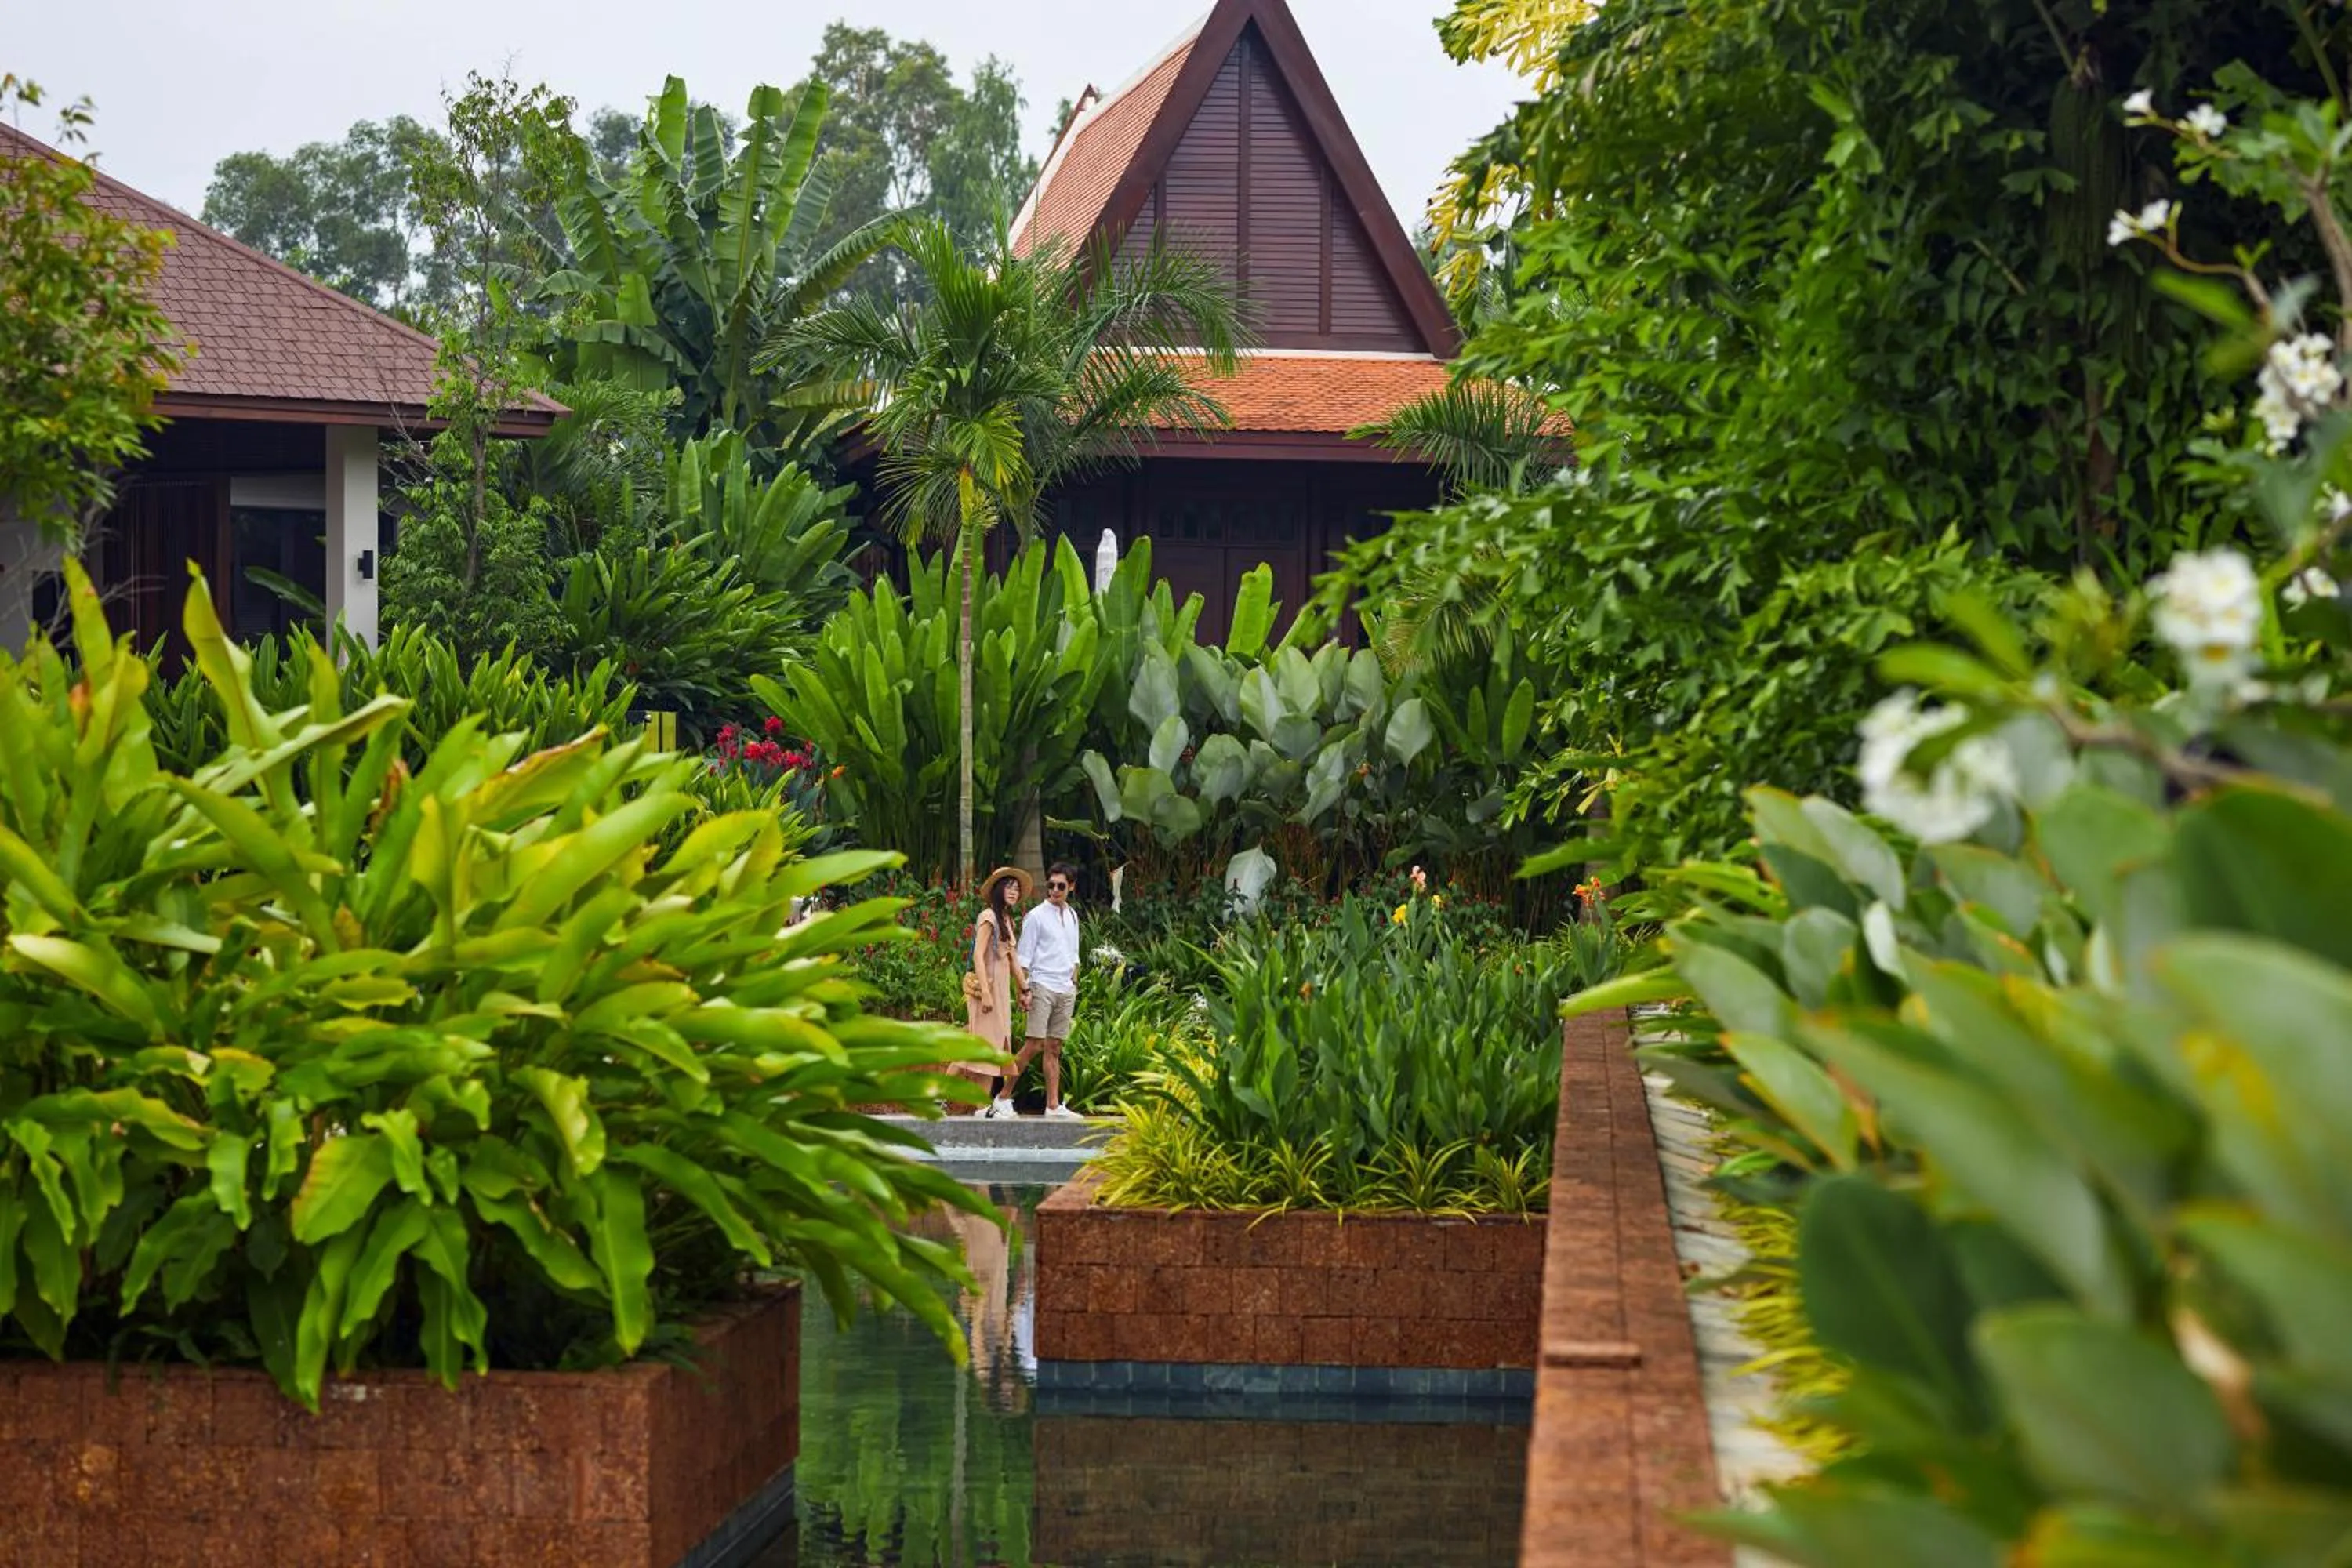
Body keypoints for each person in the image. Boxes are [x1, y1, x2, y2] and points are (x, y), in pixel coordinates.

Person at [990, 862, 1083, 1120]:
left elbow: (1073, 952)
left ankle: (1053, 1106)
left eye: (1060, 886)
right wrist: (1024, 990)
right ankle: (1002, 1098)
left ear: (1071, 887)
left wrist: (1073, 979)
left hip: (1065, 989)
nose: (1054, 890)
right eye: (1050, 885)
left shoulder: (1073, 915)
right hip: (1041, 985)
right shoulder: (1036, 916)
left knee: (1054, 1047)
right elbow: (1023, 958)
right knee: (1034, 1045)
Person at [961, 868, 1029, 1107]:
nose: (1014, 891)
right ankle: (974, 1104)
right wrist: (987, 995)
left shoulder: (1008, 920)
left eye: (1017, 888)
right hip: (985, 992)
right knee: (983, 1046)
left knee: (987, 1046)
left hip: (1000, 994)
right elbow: (979, 956)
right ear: (998, 890)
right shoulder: (988, 917)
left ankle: (979, 1105)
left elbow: (1013, 959)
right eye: (1009, 886)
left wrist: (1024, 989)